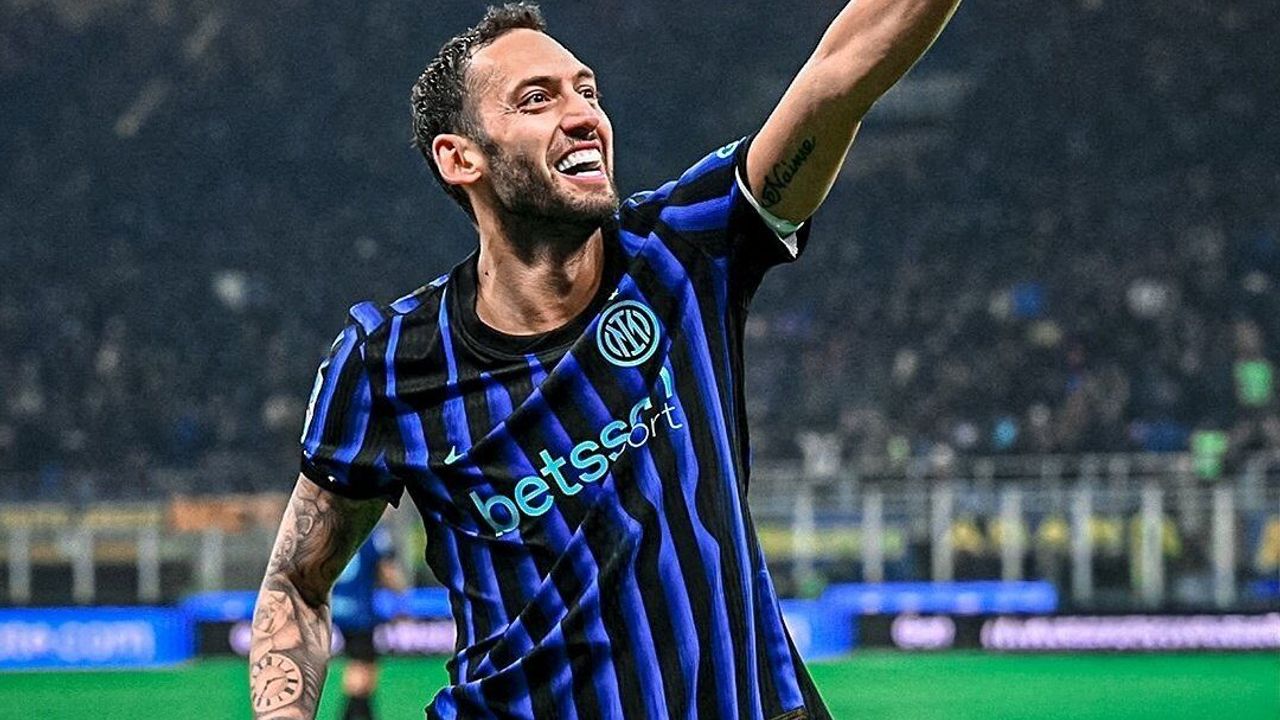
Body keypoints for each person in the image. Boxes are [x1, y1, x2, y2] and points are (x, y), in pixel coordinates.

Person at [250, 1, 960, 718]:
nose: (583, 114)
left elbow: (840, 73)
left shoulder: (683, 252)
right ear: (460, 157)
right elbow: (297, 585)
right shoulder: (389, 364)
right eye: (537, 98)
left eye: (587, 91)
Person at [331, 524, 406, 720]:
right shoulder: (373, 533)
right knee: (362, 666)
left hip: (336, 606)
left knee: (363, 663)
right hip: (359, 612)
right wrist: (401, 597)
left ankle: (362, 713)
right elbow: (386, 570)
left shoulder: (335, 529)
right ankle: (354, 715)